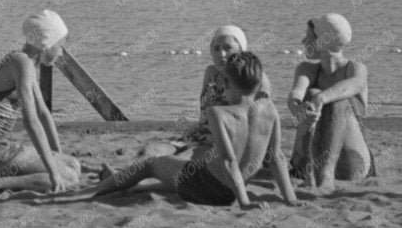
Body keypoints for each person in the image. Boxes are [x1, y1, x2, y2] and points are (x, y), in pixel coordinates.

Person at [94, 50, 295, 209]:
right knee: (177, 172)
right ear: (259, 83)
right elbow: (277, 158)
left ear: (225, 82)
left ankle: (97, 189)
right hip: (231, 191)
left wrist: (245, 204)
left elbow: (228, 161)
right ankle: (126, 184)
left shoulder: (218, 113)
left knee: (150, 165)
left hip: (207, 187)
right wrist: (291, 200)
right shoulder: (271, 111)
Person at [0, 11, 82, 194]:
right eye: (60, 46)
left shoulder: (26, 63)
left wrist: (58, 157)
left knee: (72, 164)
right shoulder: (22, 63)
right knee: (68, 176)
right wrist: (54, 172)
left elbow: (43, 114)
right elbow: (31, 122)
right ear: (46, 45)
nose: (61, 52)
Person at [287, 13, 376, 190]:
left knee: (337, 101)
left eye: (309, 37)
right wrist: (298, 108)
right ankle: (314, 171)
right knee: (312, 92)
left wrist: (322, 98)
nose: (303, 41)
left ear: (322, 40)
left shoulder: (355, 68)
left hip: (350, 160)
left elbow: (355, 85)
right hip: (306, 163)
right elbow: (296, 93)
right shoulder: (307, 69)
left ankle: (326, 174)